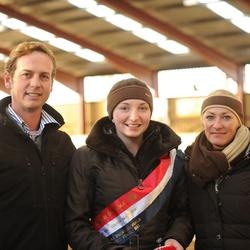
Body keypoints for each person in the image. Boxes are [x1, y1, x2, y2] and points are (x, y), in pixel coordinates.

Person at [65, 78, 193, 250]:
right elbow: (75, 225)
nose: (134, 116)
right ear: (112, 113)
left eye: (143, 108)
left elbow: (183, 214)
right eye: (124, 108)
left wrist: (175, 239)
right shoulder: (86, 158)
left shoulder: (173, 159)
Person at [0, 41, 76, 250]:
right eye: (27, 74)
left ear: (51, 83)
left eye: (44, 76)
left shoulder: (63, 144)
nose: (35, 83)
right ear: (8, 80)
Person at [185, 89, 250, 250]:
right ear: (203, 121)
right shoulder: (190, 162)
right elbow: (183, 215)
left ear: (239, 121)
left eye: (226, 117)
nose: (217, 125)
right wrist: (175, 238)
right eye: (210, 117)